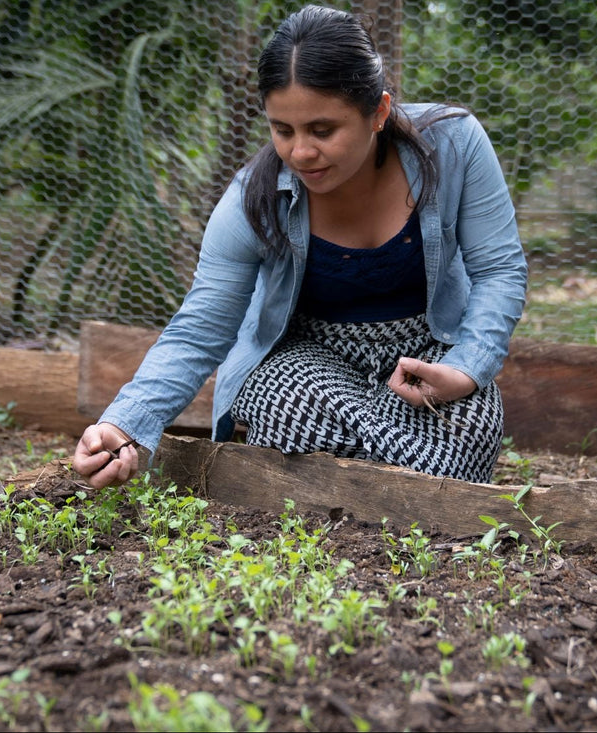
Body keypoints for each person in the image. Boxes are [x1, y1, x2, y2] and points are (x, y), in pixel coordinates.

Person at [72, 4, 527, 489]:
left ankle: (346, 480)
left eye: (323, 130)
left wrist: (462, 368)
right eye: (282, 130)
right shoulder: (252, 199)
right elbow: (202, 327)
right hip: (308, 360)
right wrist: (122, 424)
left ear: (379, 111)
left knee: (472, 425)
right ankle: (402, 483)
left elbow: (499, 269)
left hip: (425, 356)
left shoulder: (455, 145)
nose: (300, 152)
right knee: (289, 406)